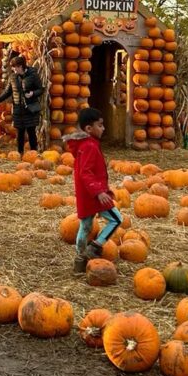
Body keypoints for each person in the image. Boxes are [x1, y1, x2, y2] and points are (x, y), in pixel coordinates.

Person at [63, 107, 123, 275]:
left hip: (85, 194)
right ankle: (95, 246)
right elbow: (86, 172)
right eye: (100, 125)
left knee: (85, 226)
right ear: (89, 129)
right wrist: (99, 192)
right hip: (94, 195)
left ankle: (80, 261)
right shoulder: (89, 146)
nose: (103, 128)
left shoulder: (83, 144)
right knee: (116, 219)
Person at [0, 55, 43, 154]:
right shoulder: (13, 77)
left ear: (20, 66)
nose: (12, 69)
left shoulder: (33, 75)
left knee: (31, 132)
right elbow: (7, 93)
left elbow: (40, 89)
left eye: (14, 67)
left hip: (30, 108)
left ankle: (34, 153)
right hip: (18, 109)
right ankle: (20, 153)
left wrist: (33, 93)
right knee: (20, 133)